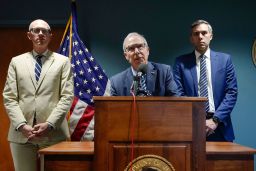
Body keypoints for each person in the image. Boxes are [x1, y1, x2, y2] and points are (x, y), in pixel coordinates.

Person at [2, 19, 74, 171]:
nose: (40, 33)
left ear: (50, 35)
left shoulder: (63, 62)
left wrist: (50, 124)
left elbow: (67, 96)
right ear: (29, 35)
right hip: (21, 135)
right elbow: (9, 97)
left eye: (45, 31)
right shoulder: (16, 62)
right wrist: (21, 125)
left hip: (53, 133)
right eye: (36, 30)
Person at [173, 19, 238, 142]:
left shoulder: (225, 60)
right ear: (191, 38)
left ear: (211, 36)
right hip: (191, 125)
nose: (200, 37)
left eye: (204, 33)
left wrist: (215, 120)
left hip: (220, 126)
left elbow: (231, 92)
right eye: (196, 34)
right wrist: (197, 120)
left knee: (222, 162)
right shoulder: (181, 63)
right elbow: (178, 94)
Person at [110, 32, 180, 96]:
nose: (137, 52)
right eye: (131, 48)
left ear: (148, 50)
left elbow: (175, 101)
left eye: (140, 46)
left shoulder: (164, 72)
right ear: (126, 56)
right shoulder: (116, 83)